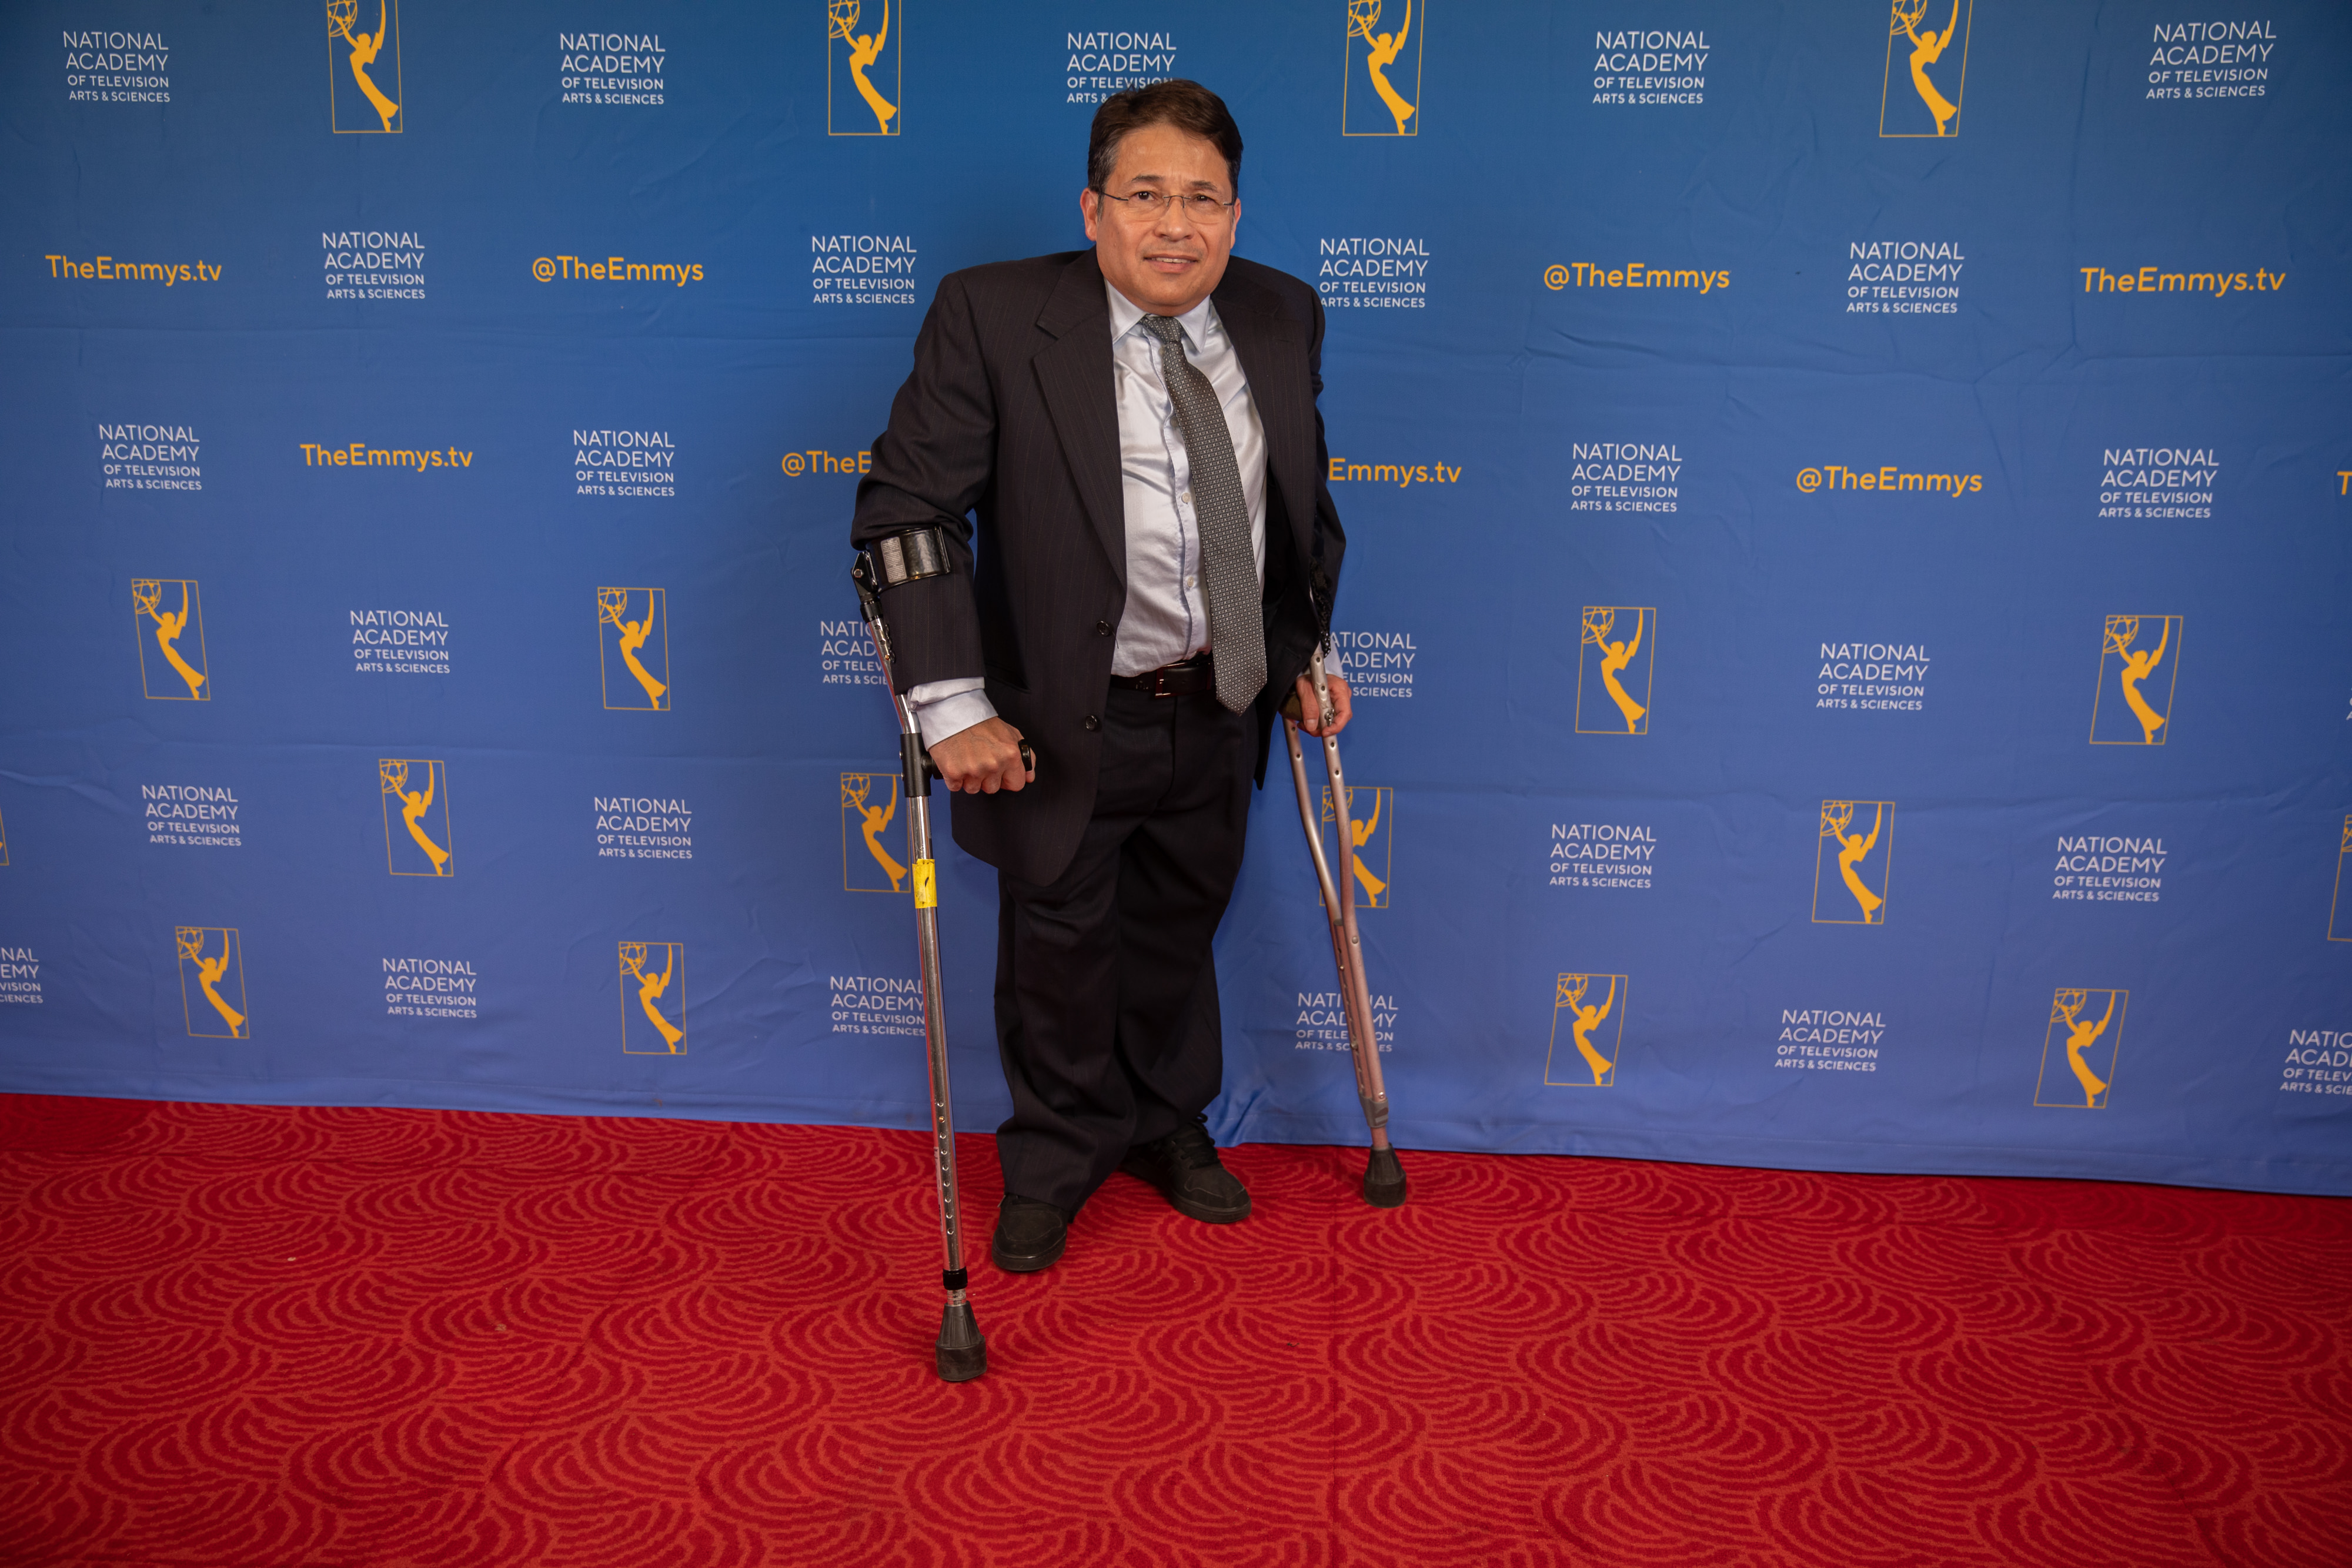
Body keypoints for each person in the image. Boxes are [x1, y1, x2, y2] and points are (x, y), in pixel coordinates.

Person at [848, 80, 1352, 1273]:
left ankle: (1165, 1119)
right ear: (1093, 209)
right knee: (1060, 947)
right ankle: (1057, 1154)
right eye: (1145, 195)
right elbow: (907, 514)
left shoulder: (1281, 312)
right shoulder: (994, 314)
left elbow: (1293, 506)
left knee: (1179, 925)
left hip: (1218, 701)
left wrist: (1298, 651)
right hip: (1064, 714)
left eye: (1203, 199)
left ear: (1235, 213)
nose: (1176, 225)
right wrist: (951, 707)